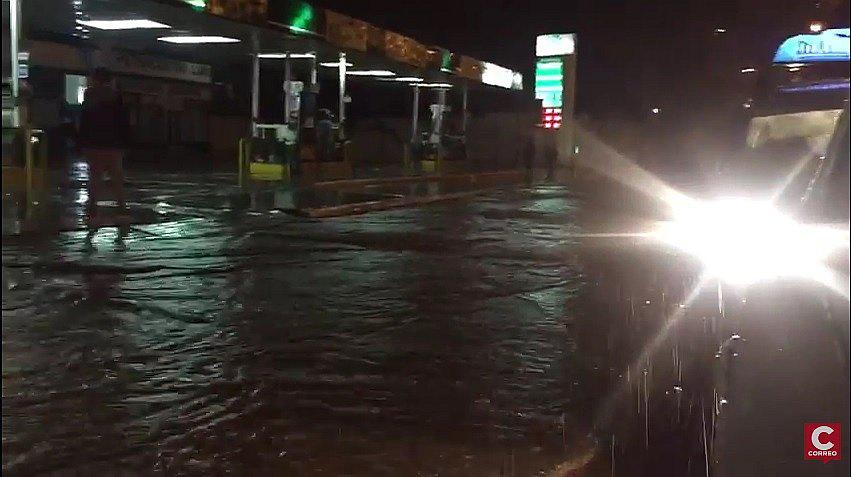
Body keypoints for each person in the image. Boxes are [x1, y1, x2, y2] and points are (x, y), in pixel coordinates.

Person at [78, 67, 129, 224]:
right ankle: (121, 207)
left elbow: (84, 120)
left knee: (95, 177)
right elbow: (122, 121)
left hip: (94, 143)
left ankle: (92, 208)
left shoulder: (89, 95)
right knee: (116, 177)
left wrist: (82, 142)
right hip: (113, 143)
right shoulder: (116, 96)